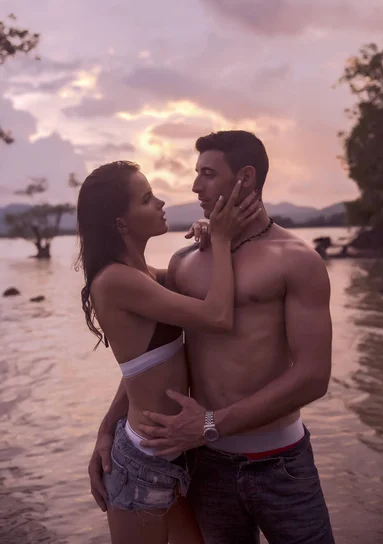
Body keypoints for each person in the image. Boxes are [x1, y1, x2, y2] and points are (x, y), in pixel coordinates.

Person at [89, 131, 335, 544]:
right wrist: (110, 427)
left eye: (207, 174)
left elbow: (314, 375)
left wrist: (208, 424)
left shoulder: (297, 260)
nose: (195, 187)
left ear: (246, 177)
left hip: (281, 464)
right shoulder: (186, 261)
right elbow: (155, 357)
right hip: (206, 465)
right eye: (196, 174)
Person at [77, 159, 261, 544]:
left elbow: (143, 368)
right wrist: (223, 241)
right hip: (142, 463)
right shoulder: (116, 281)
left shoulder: (145, 275)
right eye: (147, 199)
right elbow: (217, 315)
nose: (161, 203)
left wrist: (205, 241)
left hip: (170, 455)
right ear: (121, 223)